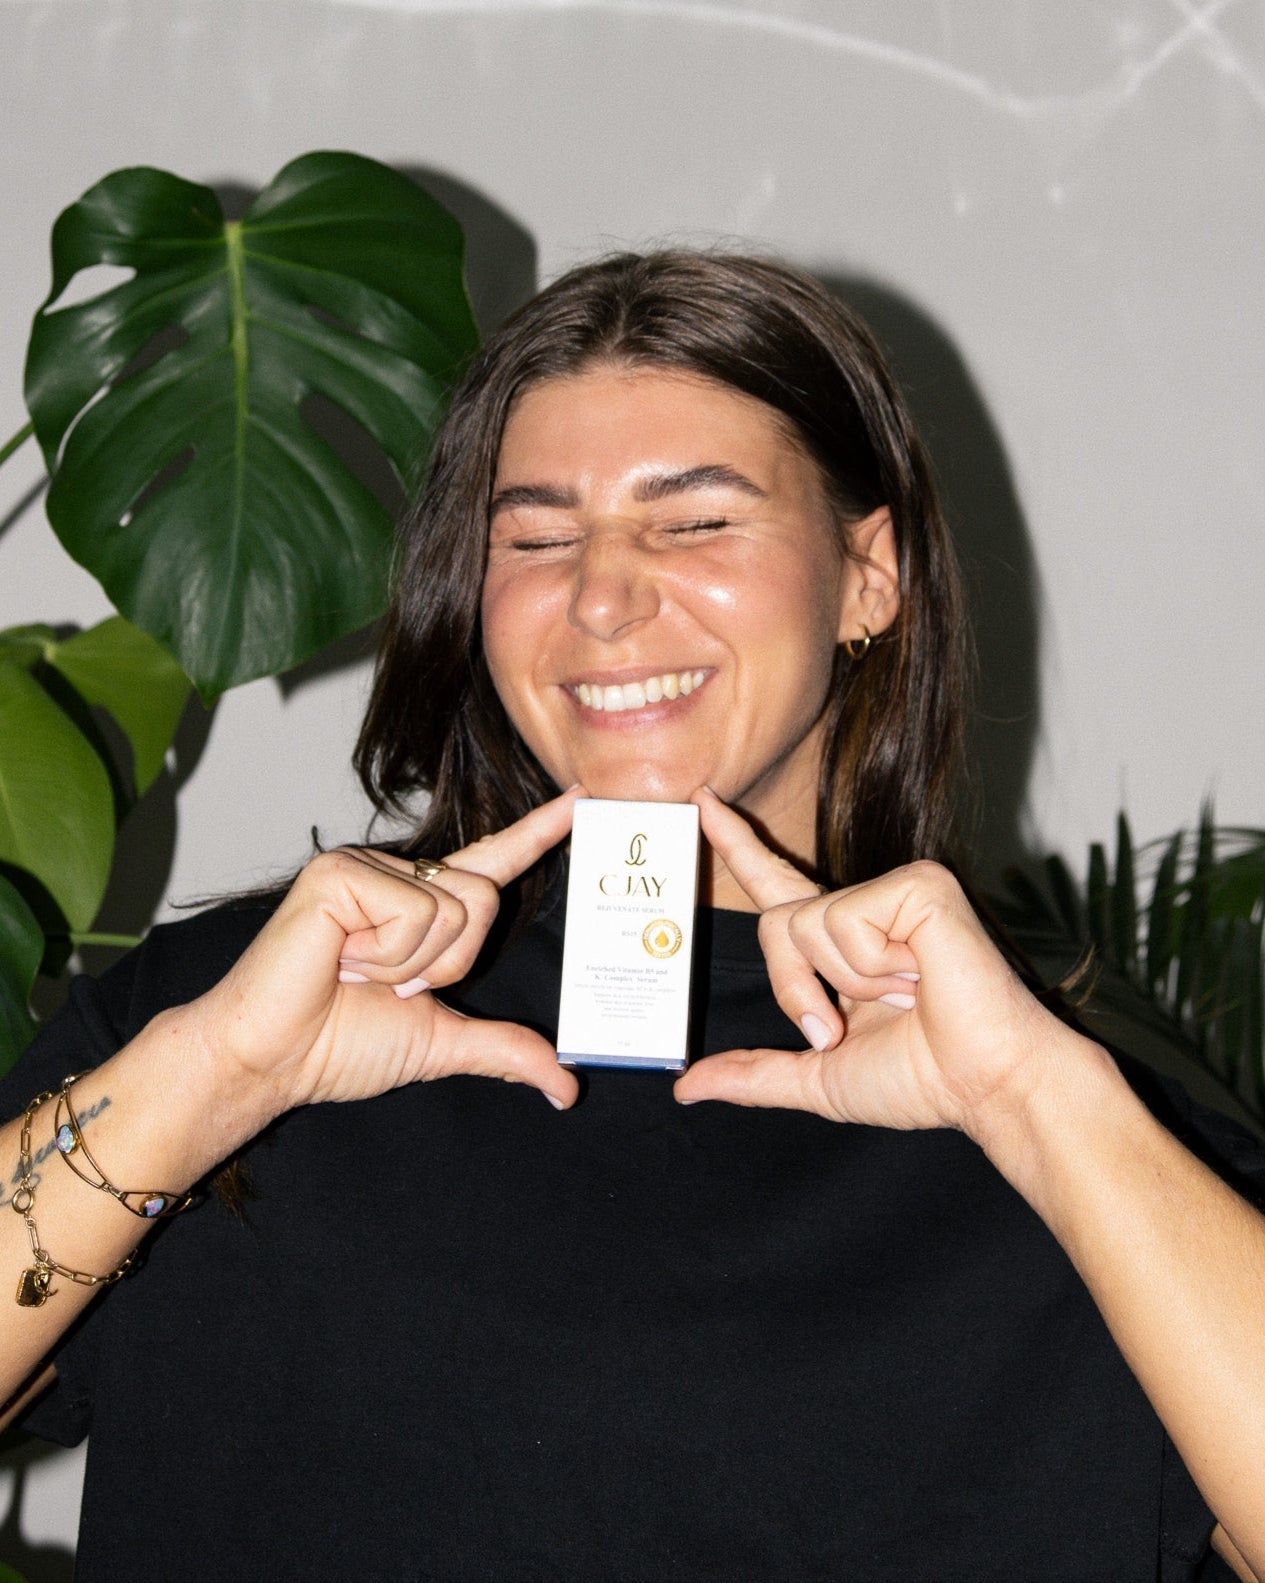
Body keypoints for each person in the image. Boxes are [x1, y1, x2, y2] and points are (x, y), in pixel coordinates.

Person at [1, 250, 1262, 1583]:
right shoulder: (247, 1010)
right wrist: (212, 1076)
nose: (601, 598)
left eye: (695, 522)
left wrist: (1030, 1103)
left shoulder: (1064, 1082)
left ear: (869, 576)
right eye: (535, 539)